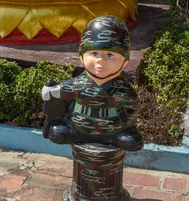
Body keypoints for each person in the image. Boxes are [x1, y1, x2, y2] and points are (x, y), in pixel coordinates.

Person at [42, 15, 144, 152]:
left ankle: (114, 137)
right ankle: (79, 134)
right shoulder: (80, 83)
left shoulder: (121, 89)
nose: (100, 61)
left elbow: (134, 106)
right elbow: (62, 91)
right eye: (94, 54)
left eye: (110, 55)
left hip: (113, 132)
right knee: (57, 133)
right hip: (78, 128)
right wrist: (50, 91)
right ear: (82, 57)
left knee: (133, 142)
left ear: (124, 62)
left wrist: (124, 122)